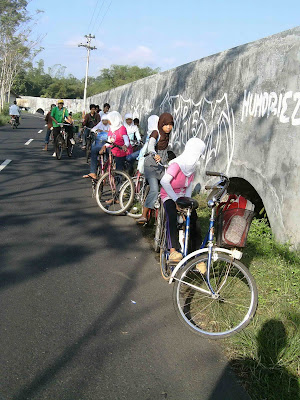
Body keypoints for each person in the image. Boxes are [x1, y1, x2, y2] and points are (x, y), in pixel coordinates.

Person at [160, 138, 205, 262]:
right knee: (172, 215)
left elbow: (189, 184)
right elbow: (164, 181)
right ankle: (173, 250)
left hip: (182, 197)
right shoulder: (177, 164)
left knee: (194, 220)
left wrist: (187, 202)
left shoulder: (191, 166)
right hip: (170, 195)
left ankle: (195, 255)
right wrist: (176, 201)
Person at [136, 112, 174, 224]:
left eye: (170, 125)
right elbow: (151, 146)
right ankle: (144, 215)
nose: (168, 127)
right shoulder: (155, 133)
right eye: (166, 124)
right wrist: (154, 153)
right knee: (154, 189)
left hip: (161, 167)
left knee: (168, 187)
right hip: (151, 166)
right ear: (161, 124)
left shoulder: (167, 135)